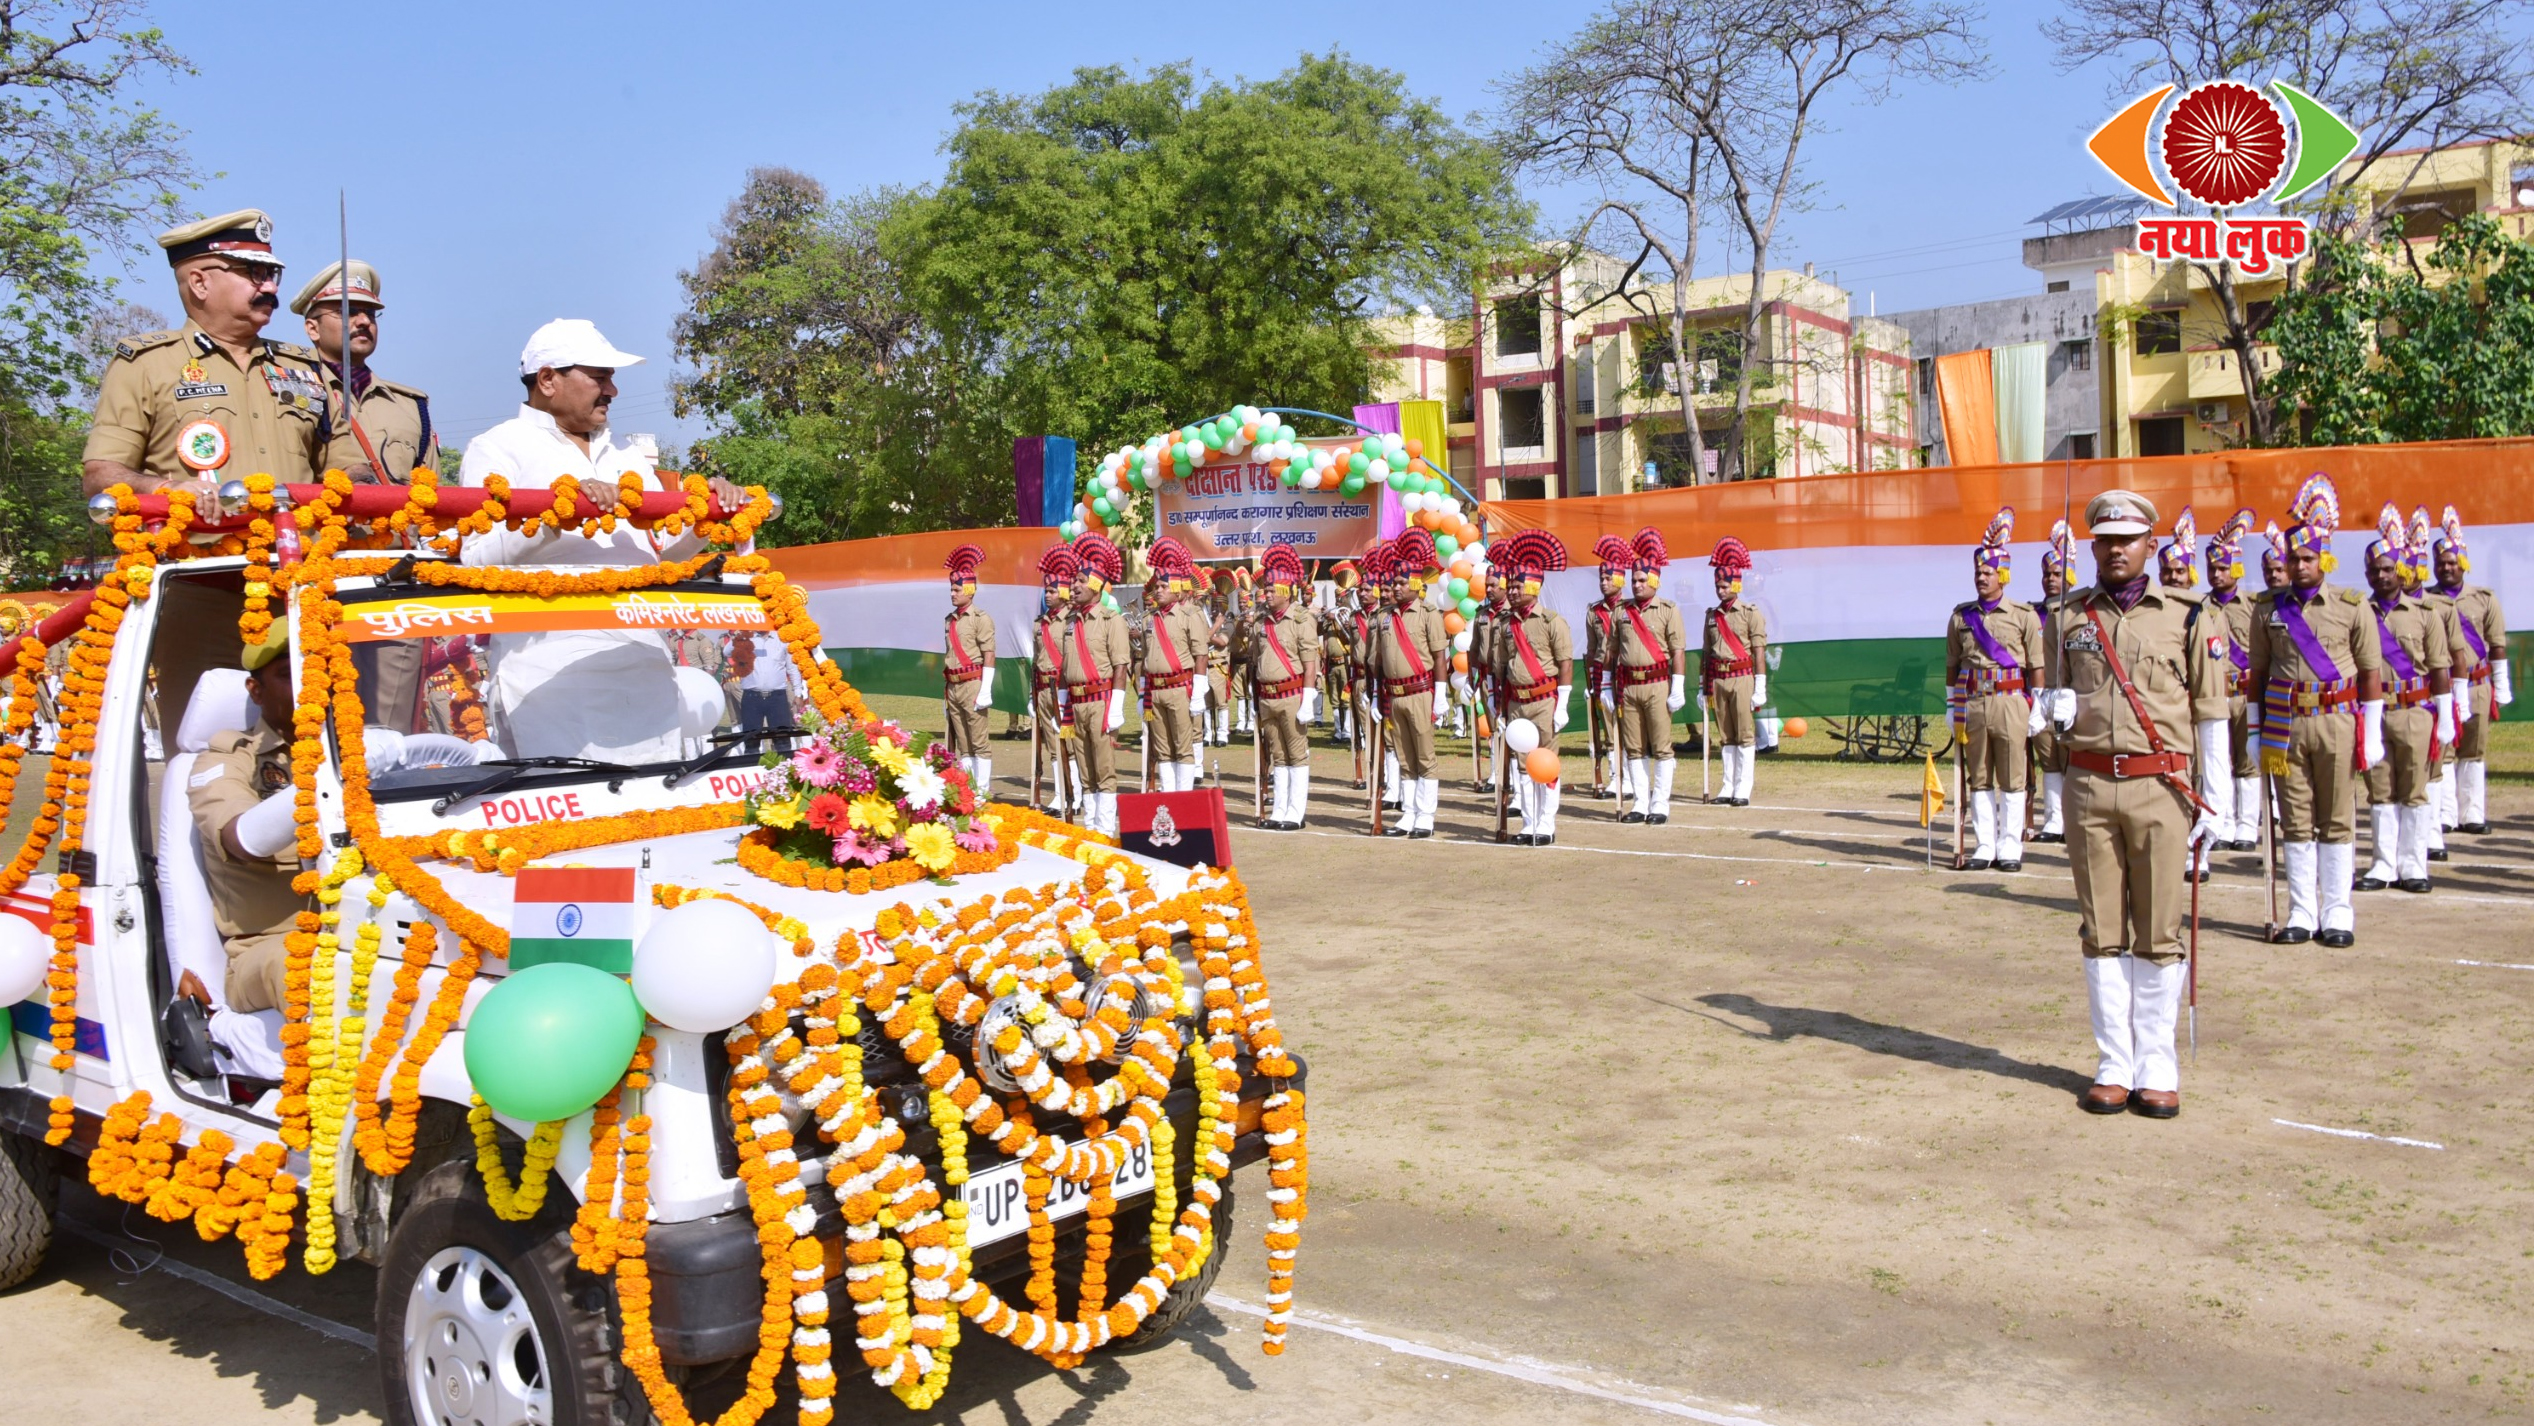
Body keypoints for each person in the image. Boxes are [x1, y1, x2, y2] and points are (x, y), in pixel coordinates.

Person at [2038, 490, 2231, 1119]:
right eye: (2105, 540)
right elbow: (2054, 706)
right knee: (2101, 929)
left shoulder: (2189, 616)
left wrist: (2216, 800)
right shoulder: (2066, 616)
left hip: (2161, 788)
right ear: (2093, 545)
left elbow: (2210, 713)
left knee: (2158, 929)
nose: (2116, 550)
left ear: (2151, 543)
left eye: (2127, 539)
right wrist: (2053, 721)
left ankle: (2157, 1065)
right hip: (2090, 788)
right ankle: (2114, 1064)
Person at [83, 209, 329, 501]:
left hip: (299, 531)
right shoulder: (145, 365)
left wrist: (358, 478)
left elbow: (346, 464)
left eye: (272, 274)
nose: (271, 287)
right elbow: (100, 476)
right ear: (200, 283)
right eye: (254, 272)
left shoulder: (305, 367)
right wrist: (167, 490)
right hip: (197, 532)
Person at [457, 318, 741, 566]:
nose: (613, 391)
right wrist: (556, 514)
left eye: (611, 379)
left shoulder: (626, 451)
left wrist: (710, 511)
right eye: (599, 378)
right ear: (547, 380)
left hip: (643, 609)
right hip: (551, 611)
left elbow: (662, 553)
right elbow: (476, 559)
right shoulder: (497, 447)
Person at [2250, 473, 2384, 948]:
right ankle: (2302, 911)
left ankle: (2337, 911)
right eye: (2293, 559)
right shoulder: (2267, 608)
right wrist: (2254, 731)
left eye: (2308, 558)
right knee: (2295, 818)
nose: (2300, 565)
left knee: (2337, 816)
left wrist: (2372, 731)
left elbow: (2370, 674)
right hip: (2285, 726)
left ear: (2324, 557)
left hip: (2336, 723)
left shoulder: (2352, 606)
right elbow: (2257, 676)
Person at [186, 627, 310, 1015]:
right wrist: (321, 786)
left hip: (367, 929)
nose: (309, 684)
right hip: (269, 948)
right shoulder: (226, 760)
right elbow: (241, 837)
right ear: (256, 691)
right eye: (289, 674)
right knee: (312, 968)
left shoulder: (360, 751)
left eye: (318, 669)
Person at [2354, 511, 2452, 895]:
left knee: (2414, 789)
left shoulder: (2426, 615)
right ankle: (2383, 863)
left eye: (2387, 568)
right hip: (2374, 713)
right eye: (2374, 570)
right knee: (2380, 790)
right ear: (2366, 575)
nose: (2381, 576)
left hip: (2414, 712)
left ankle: (2413, 864)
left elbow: (2440, 668)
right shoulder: (2358, 613)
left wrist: (2446, 716)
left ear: (2400, 571)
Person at [1945, 508, 2045, 873]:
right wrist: (1950, 703)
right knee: (1980, 776)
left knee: (2013, 776)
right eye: (1977, 572)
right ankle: (1985, 845)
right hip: (1973, 703)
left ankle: (2010, 846)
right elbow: (1953, 663)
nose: (1981, 578)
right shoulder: (1961, 616)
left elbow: (2036, 665)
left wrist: (2038, 705)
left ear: (2002, 574)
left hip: (2011, 702)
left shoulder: (2023, 615)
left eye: (1987, 572)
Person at [289, 259, 437, 481]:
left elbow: (432, 489)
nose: (364, 321)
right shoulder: (294, 397)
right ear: (313, 329)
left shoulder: (411, 407)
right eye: (347, 311)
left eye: (371, 313)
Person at [1487, 531, 1575, 845]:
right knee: (1522, 765)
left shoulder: (1552, 621)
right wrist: (1497, 706)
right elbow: (1499, 667)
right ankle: (1528, 824)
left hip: (1544, 699)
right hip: (1516, 703)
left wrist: (1562, 704)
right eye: (1509, 586)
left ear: (1534, 587)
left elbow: (1565, 664)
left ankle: (1546, 824)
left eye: (1517, 586)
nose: (1511, 591)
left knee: (1545, 763)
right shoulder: (1503, 623)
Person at [2429, 507, 2510, 835]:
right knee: (2445, 749)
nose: (2447, 567)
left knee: (2474, 750)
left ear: (2462, 562)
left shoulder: (2484, 599)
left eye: (2452, 562)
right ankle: (2447, 814)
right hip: (2442, 687)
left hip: (2477, 686)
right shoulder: (2426, 601)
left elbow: (2497, 645)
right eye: (2441, 563)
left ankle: (2472, 812)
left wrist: (2501, 686)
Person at [1369, 530, 1452, 838]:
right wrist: (1376, 696)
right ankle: (1409, 812)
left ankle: (1426, 815)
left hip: (1420, 692)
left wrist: (1440, 696)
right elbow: (1377, 661)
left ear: (1416, 584)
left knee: (1424, 755)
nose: (1396, 587)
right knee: (1404, 756)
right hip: (1394, 695)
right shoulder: (1384, 616)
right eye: (1395, 582)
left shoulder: (1429, 614)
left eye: (1402, 583)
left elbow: (1440, 657)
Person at [1610, 527, 1688, 823]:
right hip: (1629, 687)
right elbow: (1611, 651)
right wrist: (1605, 686)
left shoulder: (1668, 609)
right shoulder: (1621, 611)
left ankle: (1660, 804)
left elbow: (1678, 650)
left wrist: (1677, 686)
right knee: (1634, 748)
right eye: (1634, 580)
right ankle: (1640, 804)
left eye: (1642, 580)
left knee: (1662, 747)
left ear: (1654, 581)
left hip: (1657, 684)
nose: (1637, 585)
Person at [1061, 534, 1135, 835]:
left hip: (1101, 702)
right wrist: (1062, 704)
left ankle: (1104, 829)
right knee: (1084, 767)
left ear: (1095, 584)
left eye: (1080, 580)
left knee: (1103, 769)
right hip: (1076, 705)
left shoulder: (1111, 620)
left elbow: (1121, 666)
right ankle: (1089, 827)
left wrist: (1116, 708)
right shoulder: (1070, 621)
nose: (1073, 586)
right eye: (1073, 580)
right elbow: (1065, 667)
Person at [1247, 544, 1323, 830]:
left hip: (1292, 695)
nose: (1266, 594)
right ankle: (1279, 809)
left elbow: (1310, 662)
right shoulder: (1260, 622)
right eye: (1265, 589)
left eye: (1271, 590)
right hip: (1267, 697)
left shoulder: (1302, 619)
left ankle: (1296, 812)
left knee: (1296, 754)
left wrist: (1308, 700)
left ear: (1286, 591)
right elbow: (1255, 660)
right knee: (1277, 756)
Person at [2203, 510, 2263, 852]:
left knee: (2247, 760)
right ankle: (2224, 822)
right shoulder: (2201, 607)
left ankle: (2247, 826)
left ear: (2236, 568)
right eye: (2212, 568)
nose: (2217, 574)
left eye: (2223, 568)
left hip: (2246, 693)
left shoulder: (2253, 605)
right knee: (2218, 761)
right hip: (2216, 694)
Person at [1139, 538, 1212, 792]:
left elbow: (1201, 654)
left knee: (1183, 746)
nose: (1157, 591)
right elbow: (1144, 659)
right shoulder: (1148, 619)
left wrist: (1199, 691)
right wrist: (1142, 692)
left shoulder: (1191, 614)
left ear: (1177, 587)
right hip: (1155, 691)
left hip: (1180, 688)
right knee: (1162, 748)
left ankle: (1183, 796)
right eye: (1156, 586)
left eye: (1163, 586)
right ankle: (1168, 795)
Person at [1701, 536, 1765, 809]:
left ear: (1736, 585)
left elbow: (1759, 651)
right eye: (1717, 586)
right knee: (1726, 735)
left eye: (1725, 586)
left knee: (1745, 733)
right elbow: (1706, 653)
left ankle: (1743, 786)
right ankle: (1727, 785)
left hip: (1742, 678)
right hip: (1719, 679)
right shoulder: (1711, 615)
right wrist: (1703, 686)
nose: (1720, 591)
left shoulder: (1750, 613)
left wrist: (1760, 685)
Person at [939, 543, 998, 796]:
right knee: (963, 742)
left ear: (970, 590)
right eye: (951, 589)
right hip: (953, 685)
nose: (952, 594)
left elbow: (989, 654)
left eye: (957, 589)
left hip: (973, 684)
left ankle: (981, 792)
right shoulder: (949, 620)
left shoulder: (981, 619)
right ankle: (968, 791)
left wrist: (986, 689)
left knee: (979, 741)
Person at [2029, 522, 2075, 845]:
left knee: (2073, 760)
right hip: (2041, 699)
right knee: (2049, 761)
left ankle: (2073, 820)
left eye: (2057, 574)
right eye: (2046, 574)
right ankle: (2053, 821)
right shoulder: (2032, 614)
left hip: (2071, 698)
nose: (2050, 579)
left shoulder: (2081, 612)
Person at [1031, 545, 1082, 817]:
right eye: (1046, 591)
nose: (1047, 595)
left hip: (1062, 689)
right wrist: (1032, 695)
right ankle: (1061, 792)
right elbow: (1036, 658)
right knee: (1052, 745)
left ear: (1063, 592)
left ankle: (1075, 792)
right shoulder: (1040, 623)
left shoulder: (1072, 621)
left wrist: (1065, 693)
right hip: (1042, 689)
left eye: (1051, 591)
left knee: (1068, 744)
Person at [1584, 537, 1631, 802]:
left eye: (1608, 578)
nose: (1603, 583)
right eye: (1601, 578)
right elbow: (1592, 650)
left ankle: (1632, 778)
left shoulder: (1630, 609)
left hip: (1627, 674)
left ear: (1621, 580)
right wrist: (1592, 683)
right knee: (1609, 727)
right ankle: (1616, 777)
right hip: (1603, 676)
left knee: (1630, 728)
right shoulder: (1594, 611)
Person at [2155, 507, 2198, 590]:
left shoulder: (2204, 599)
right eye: (2167, 572)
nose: (2173, 577)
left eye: (2180, 571)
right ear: (2160, 576)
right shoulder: (2149, 598)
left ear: (2191, 575)